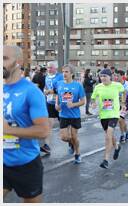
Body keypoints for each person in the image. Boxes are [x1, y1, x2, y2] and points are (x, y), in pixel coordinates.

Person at [3, 45, 50, 203]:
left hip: (26, 163)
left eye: (5, 58)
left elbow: (43, 131)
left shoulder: (31, 91)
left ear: (19, 62)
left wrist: (8, 130)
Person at [91, 68, 125, 169]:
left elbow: (124, 92)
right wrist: (93, 103)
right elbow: (93, 97)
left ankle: (105, 160)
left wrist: (123, 103)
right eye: (101, 76)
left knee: (108, 136)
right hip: (103, 115)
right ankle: (117, 147)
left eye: (105, 76)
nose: (103, 78)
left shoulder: (117, 85)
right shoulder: (98, 87)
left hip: (114, 114)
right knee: (109, 135)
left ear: (110, 76)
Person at [55, 64, 85, 164]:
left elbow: (83, 101)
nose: (64, 74)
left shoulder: (78, 85)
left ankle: (77, 154)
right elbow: (57, 95)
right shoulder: (59, 84)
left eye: (66, 72)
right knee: (64, 137)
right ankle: (72, 144)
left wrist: (73, 105)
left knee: (74, 136)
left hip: (74, 115)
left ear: (72, 73)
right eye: (63, 72)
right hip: (63, 114)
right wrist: (56, 104)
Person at [42, 61, 64, 154]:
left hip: (59, 104)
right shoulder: (47, 77)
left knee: (64, 127)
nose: (48, 69)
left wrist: (51, 91)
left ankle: (72, 141)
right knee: (49, 125)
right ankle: (46, 146)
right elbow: (46, 87)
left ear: (56, 68)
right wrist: (45, 91)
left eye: (50, 67)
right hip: (50, 103)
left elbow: (62, 88)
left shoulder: (60, 76)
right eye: (48, 67)